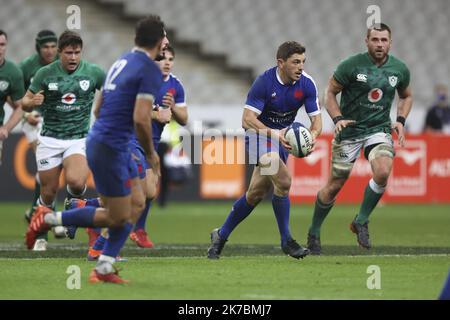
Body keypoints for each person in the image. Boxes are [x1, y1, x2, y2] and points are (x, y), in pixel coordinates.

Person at [26, 15, 168, 284]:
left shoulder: (121, 61)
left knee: (136, 203)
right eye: (165, 38)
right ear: (159, 40)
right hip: (111, 146)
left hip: (112, 141)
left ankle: (103, 266)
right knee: (117, 215)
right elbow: (140, 118)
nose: (167, 43)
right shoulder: (148, 69)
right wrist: (151, 154)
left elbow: (100, 107)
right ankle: (48, 219)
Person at [207, 41, 322, 260]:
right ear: (281, 63)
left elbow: (317, 123)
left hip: (283, 138)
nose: (301, 67)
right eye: (295, 62)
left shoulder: (307, 84)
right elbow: (247, 119)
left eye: (303, 62)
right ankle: (286, 240)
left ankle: (220, 235)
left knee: (255, 193)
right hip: (260, 135)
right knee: (284, 181)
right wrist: (274, 133)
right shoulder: (264, 82)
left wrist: (312, 138)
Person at [306, 23, 413, 255]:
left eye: (384, 40)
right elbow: (330, 92)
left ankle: (361, 220)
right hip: (350, 131)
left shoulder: (399, 69)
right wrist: (337, 119)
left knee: (383, 170)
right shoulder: (351, 65)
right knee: (334, 187)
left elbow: (406, 96)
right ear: (366, 41)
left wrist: (400, 120)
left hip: (378, 128)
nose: (379, 44)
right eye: (375, 40)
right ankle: (314, 231)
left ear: (390, 43)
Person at [22, 30, 105, 251]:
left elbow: (112, 89)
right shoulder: (45, 74)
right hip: (50, 139)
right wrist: (32, 102)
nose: (73, 57)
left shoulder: (93, 72)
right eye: (68, 53)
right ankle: (40, 234)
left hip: (78, 138)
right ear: (60, 53)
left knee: (77, 182)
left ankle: (72, 205)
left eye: (77, 53)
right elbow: (24, 101)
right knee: (48, 193)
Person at [129, 44, 188, 248]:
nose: (167, 63)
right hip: (131, 139)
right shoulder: (143, 80)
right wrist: (157, 114)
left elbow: (184, 119)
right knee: (138, 193)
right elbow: (131, 111)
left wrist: (171, 107)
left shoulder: (176, 86)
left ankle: (137, 229)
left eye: (171, 60)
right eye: (163, 59)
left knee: (150, 193)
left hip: (151, 144)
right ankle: (115, 237)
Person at [19, 30, 59, 246]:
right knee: (46, 167)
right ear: (38, 48)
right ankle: (48, 215)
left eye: (53, 46)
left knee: (47, 168)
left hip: (53, 120)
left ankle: (37, 211)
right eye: (46, 47)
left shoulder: (59, 66)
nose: (50, 50)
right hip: (32, 121)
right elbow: (16, 96)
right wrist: (26, 113)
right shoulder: (26, 67)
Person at [0, 30, 25, 167]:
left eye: (2, 44)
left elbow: (20, 106)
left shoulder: (13, 72)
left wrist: (6, 128)